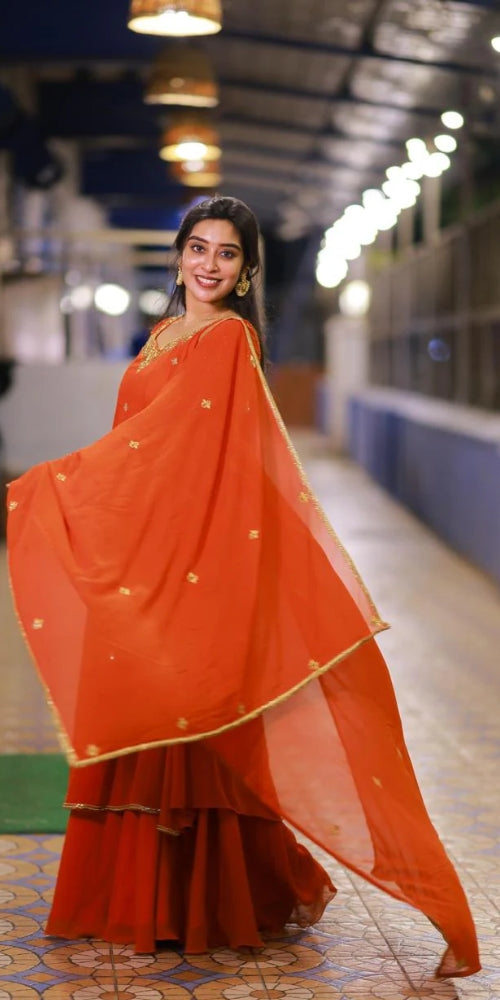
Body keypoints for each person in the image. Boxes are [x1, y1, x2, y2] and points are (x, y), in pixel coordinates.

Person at [7, 196, 479, 976]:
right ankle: (138, 896)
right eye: (198, 248)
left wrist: (61, 484)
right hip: (142, 561)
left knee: (189, 721)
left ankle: (197, 904)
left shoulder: (230, 340)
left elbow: (183, 457)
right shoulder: (163, 336)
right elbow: (135, 449)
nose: (209, 265)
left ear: (247, 269)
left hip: (192, 564)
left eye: (227, 254)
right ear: (179, 255)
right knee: (143, 718)